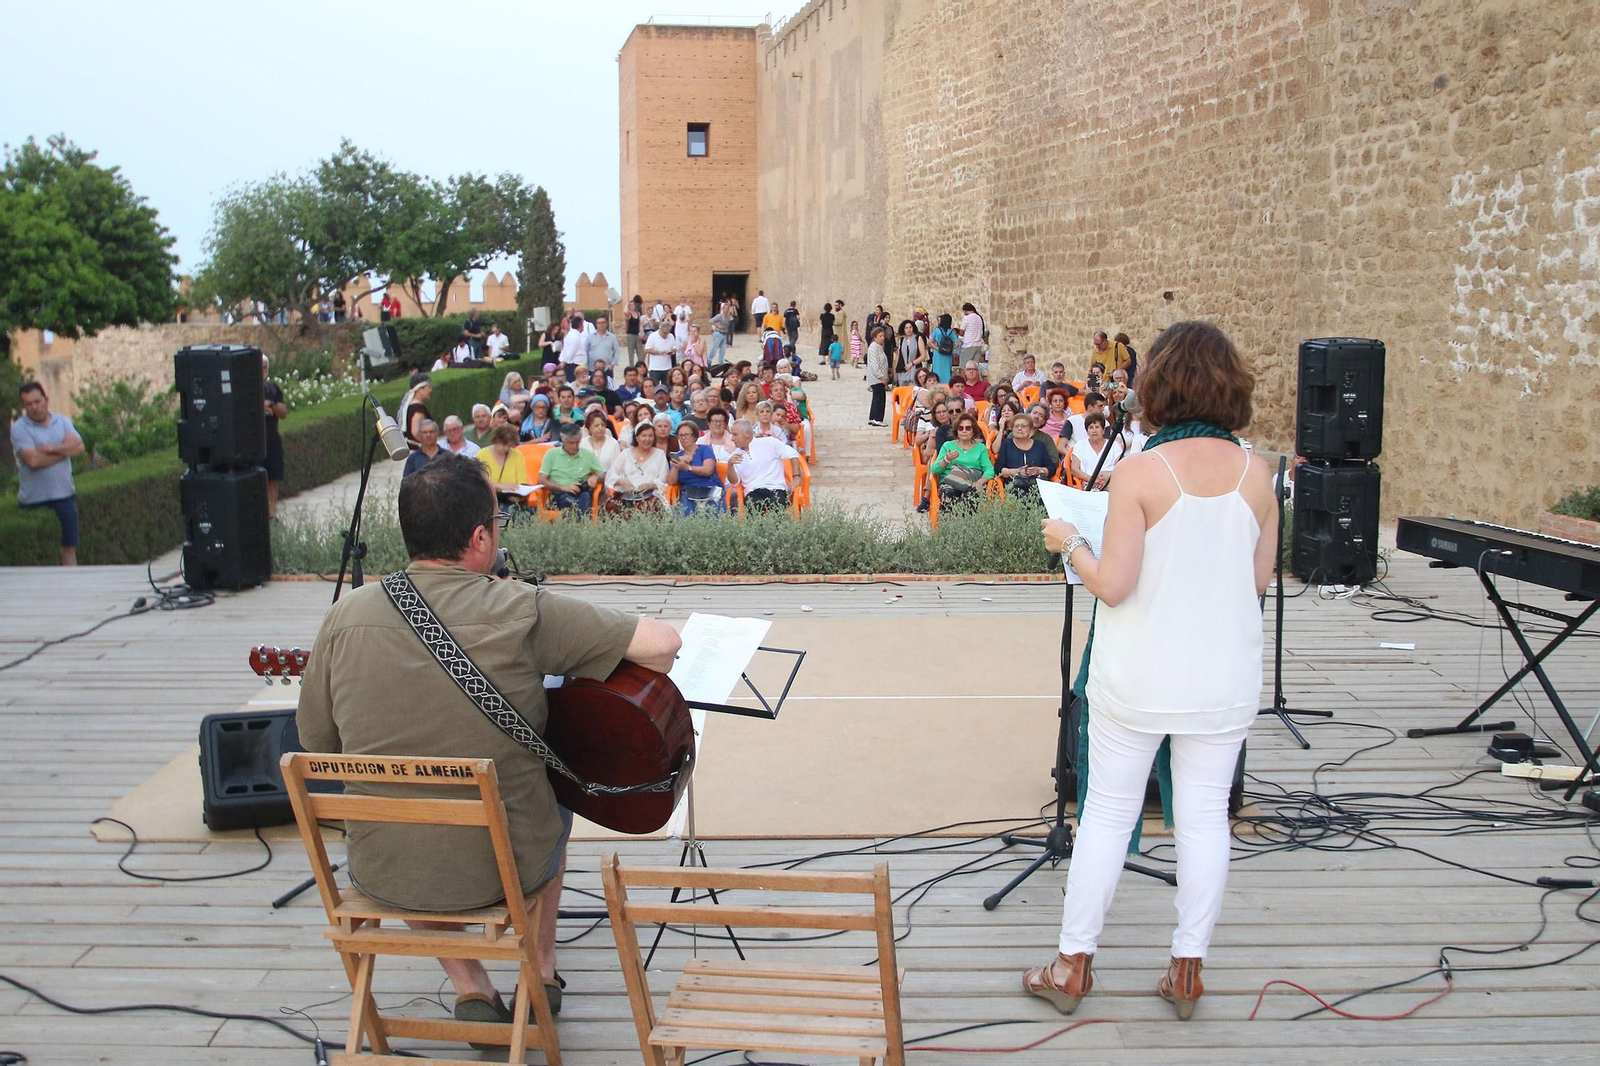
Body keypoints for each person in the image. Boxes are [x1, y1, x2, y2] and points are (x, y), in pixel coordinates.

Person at [296, 453, 679, 1030]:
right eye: (496, 522)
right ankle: (541, 970)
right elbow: (662, 644)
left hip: (383, 865)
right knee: (558, 797)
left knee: (404, 821)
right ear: (479, 538)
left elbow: (317, 742)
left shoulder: (344, 615)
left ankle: (470, 983)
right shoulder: (518, 607)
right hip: (502, 869)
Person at [1029, 320, 1273, 1021]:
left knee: (1107, 813)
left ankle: (1072, 966)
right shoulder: (1258, 474)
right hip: (1222, 676)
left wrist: (1069, 540)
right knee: (1204, 819)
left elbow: (1113, 585)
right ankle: (1187, 971)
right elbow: (1256, 583)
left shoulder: (1141, 471)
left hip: (1139, 674)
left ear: (1158, 385)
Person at [11, 381, 84, 565]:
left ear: (46, 400)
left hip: (64, 497)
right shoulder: (19, 428)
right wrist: (65, 451)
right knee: (37, 555)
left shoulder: (63, 421)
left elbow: (79, 447)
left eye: (37, 401)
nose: (34, 407)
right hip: (33, 501)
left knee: (68, 548)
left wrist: (51, 448)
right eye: (29, 404)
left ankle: (70, 582)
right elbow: (33, 461)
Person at [727, 418, 798, 513]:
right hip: (753, 491)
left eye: (735, 434)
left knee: (778, 504)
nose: (732, 438)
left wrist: (796, 477)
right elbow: (735, 482)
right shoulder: (734, 456)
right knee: (753, 506)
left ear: (747, 433)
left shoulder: (769, 443)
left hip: (776, 488)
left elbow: (793, 453)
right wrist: (730, 466)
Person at [929, 411, 993, 509]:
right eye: (960, 428)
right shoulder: (948, 446)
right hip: (951, 482)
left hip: (972, 482)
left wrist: (980, 482)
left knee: (972, 494)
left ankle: (968, 520)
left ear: (973, 431)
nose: (964, 431)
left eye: (968, 428)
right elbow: (934, 470)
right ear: (956, 430)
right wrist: (946, 460)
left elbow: (989, 470)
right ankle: (949, 519)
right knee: (949, 493)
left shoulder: (980, 447)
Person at [538, 422, 604, 515]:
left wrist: (596, 478)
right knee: (570, 502)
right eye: (571, 443)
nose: (574, 446)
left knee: (585, 496)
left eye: (577, 442)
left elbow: (604, 474)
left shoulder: (588, 455)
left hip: (581, 491)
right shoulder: (551, 454)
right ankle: (581, 522)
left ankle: (578, 521)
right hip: (560, 493)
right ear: (563, 439)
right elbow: (541, 480)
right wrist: (563, 487)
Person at [604, 421, 668, 509]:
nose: (647, 439)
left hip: (651, 496)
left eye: (650, 436)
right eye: (644, 436)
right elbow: (611, 474)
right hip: (627, 496)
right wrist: (620, 480)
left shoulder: (660, 454)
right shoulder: (626, 454)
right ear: (637, 438)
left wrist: (651, 485)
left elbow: (664, 479)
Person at [669, 421, 724, 514]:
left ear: (694, 436)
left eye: (687, 435)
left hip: (709, 488)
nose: (684, 438)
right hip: (689, 492)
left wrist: (688, 468)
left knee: (711, 513)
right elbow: (671, 481)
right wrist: (677, 465)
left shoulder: (705, 449)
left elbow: (708, 470)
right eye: (681, 435)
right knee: (685, 513)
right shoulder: (678, 455)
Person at [995, 413, 1054, 496]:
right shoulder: (1007, 444)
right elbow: (998, 469)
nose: (1019, 428)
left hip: (1037, 487)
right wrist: (1016, 471)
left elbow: (1051, 468)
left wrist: (1039, 470)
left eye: (1023, 426)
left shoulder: (1039, 445)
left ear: (1030, 430)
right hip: (1014, 486)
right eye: (1016, 426)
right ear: (1012, 429)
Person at [261, 355, 288, 519]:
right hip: (254, 443)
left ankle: (272, 515)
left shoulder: (273, 389)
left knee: (273, 478)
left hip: (271, 440)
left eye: (265, 367)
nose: (262, 370)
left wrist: (271, 404)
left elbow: (283, 412)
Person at [1069, 412, 1122, 489]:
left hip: (1111, 484)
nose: (1094, 430)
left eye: (1097, 427)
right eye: (1091, 427)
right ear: (1087, 431)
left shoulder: (1114, 445)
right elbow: (1074, 469)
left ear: (1103, 430)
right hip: (1088, 485)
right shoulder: (1080, 445)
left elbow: (1121, 467)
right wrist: (1091, 479)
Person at [865, 326, 890, 427]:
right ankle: (877, 418)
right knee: (880, 399)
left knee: (876, 398)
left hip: (878, 378)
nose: (882, 338)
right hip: (877, 379)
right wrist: (882, 377)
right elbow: (875, 365)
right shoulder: (874, 348)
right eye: (880, 336)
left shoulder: (878, 347)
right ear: (875, 337)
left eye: (883, 336)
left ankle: (872, 417)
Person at [401, 374, 433, 445]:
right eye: (428, 387)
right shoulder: (417, 409)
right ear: (420, 389)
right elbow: (416, 433)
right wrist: (429, 446)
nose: (431, 390)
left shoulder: (411, 407)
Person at [644, 320, 678, 385]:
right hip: (655, 368)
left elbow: (674, 347)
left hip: (667, 367)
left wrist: (672, 352)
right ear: (660, 329)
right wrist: (658, 352)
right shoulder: (653, 336)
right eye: (664, 333)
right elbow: (647, 349)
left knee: (667, 386)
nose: (666, 335)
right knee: (655, 386)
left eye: (667, 333)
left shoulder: (671, 336)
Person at [929, 313, 960, 383]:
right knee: (947, 371)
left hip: (938, 355)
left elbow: (930, 342)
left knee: (937, 371)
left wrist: (938, 348)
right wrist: (950, 348)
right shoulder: (951, 332)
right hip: (948, 355)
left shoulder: (937, 331)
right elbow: (957, 344)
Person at [896, 320, 926, 387]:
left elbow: (923, 355)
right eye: (906, 328)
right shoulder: (901, 340)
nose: (908, 329)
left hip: (915, 369)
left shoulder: (918, 338)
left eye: (910, 327)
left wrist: (912, 363)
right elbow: (898, 356)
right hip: (903, 370)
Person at [559, 315, 588, 382]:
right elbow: (570, 352)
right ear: (580, 325)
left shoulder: (571, 335)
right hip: (574, 365)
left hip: (574, 365)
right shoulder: (574, 337)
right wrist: (564, 362)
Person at [959, 302, 985, 368]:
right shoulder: (979, 318)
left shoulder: (966, 318)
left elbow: (961, 332)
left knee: (963, 366)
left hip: (969, 344)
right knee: (974, 367)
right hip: (978, 345)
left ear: (965, 310)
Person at [625, 297, 643, 365]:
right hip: (630, 334)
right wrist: (627, 303)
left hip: (637, 334)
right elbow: (624, 311)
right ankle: (631, 366)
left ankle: (640, 365)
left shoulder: (638, 313)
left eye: (633, 305)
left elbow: (640, 324)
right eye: (630, 305)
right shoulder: (629, 314)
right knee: (631, 352)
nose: (632, 306)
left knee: (640, 352)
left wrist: (641, 332)